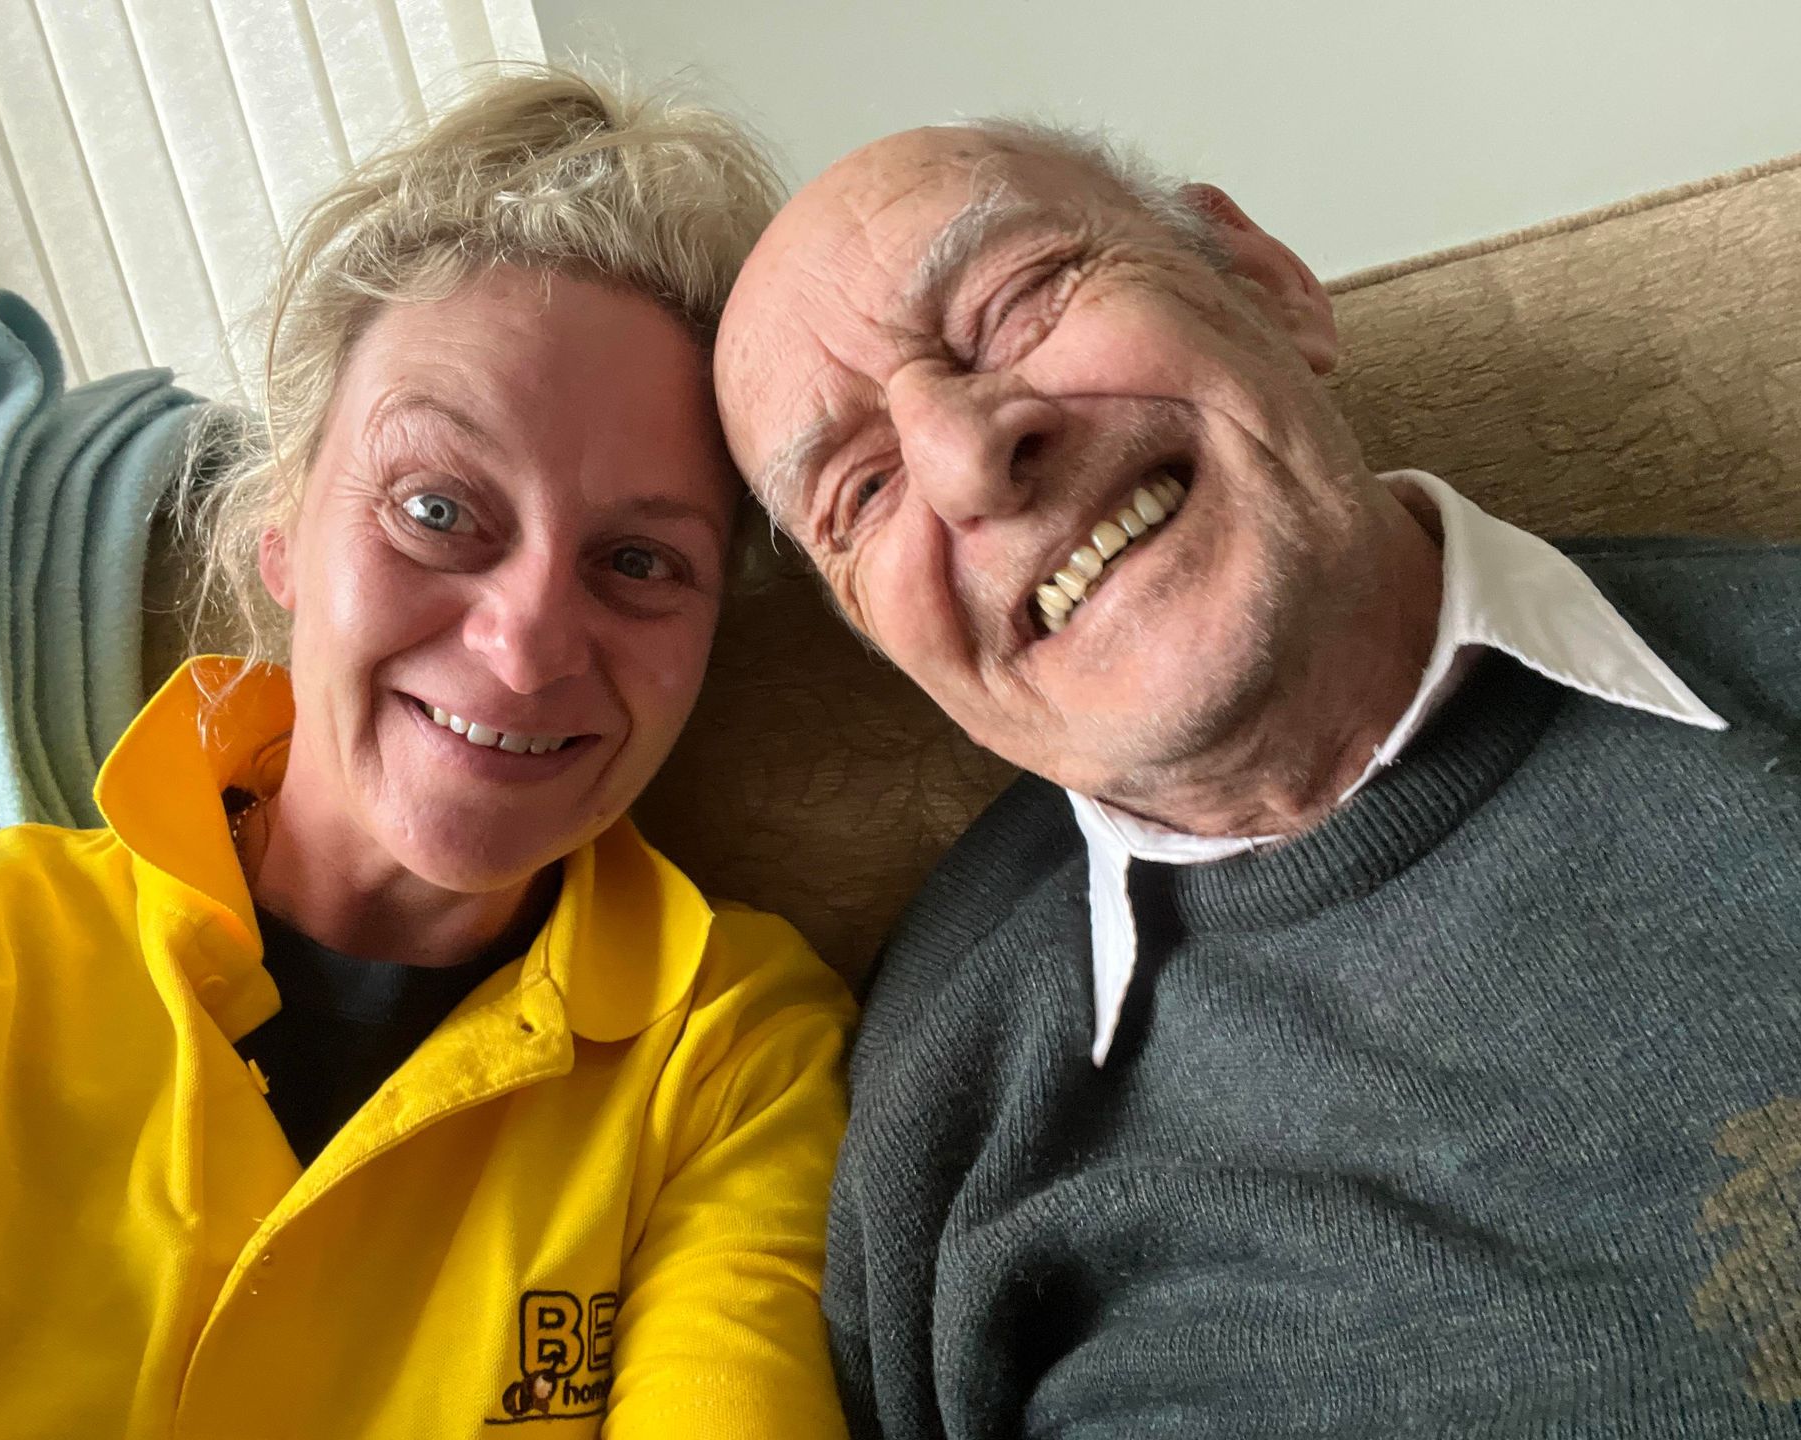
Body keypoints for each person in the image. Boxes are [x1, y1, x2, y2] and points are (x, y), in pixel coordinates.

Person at [712, 120, 1801, 1438]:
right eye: (862, 488)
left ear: (1265, 281)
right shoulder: (925, 1095)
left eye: (1017, 302)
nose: (964, 461)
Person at [0, 68, 854, 1439]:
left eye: (639, 561)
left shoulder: (736, 1054)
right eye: (438, 508)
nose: (525, 648)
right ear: (278, 532)